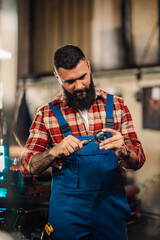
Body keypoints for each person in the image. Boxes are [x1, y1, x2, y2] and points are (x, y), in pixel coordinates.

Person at [21, 45, 146, 240]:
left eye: (82, 77)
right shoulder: (45, 114)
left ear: (89, 67)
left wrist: (124, 151)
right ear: (57, 77)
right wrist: (54, 151)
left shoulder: (118, 106)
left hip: (111, 211)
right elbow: (28, 166)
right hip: (68, 216)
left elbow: (138, 161)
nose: (79, 86)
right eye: (69, 81)